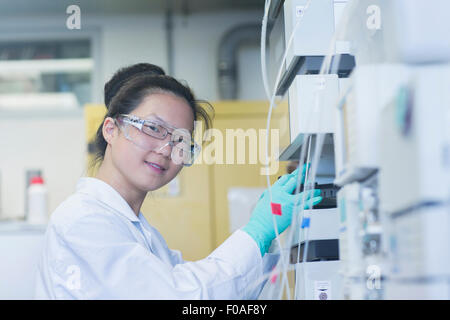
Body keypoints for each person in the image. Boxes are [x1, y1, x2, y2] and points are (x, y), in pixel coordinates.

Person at [34, 63, 322, 299]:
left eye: (181, 140)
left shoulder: (142, 234)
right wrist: (256, 232)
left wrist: (270, 241)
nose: (165, 149)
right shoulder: (82, 221)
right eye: (154, 128)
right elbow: (182, 297)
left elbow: (215, 293)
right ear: (111, 129)